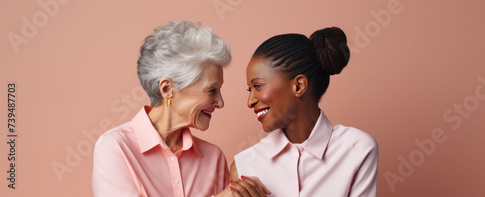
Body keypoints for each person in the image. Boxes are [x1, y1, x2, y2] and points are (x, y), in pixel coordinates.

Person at [92, 21, 269, 197]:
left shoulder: (213, 158)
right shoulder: (115, 147)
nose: (220, 103)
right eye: (211, 90)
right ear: (167, 89)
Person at [230, 27, 379, 196]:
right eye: (249, 90)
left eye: (257, 86)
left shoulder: (357, 149)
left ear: (298, 86)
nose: (250, 102)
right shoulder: (244, 165)